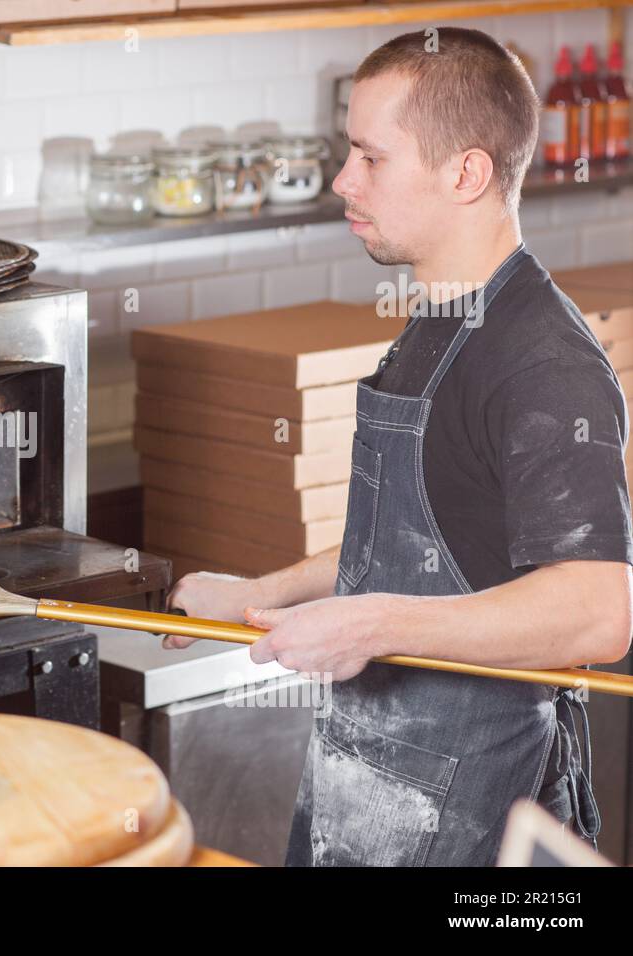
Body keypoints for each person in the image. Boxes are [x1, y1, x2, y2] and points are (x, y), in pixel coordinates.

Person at [165, 27, 633, 867]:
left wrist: (370, 626)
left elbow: (598, 612)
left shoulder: (543, 362)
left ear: (467, 173)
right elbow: (419, 544)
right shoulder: (441, 320)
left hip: (480, 815)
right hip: (370, 794)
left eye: (371, 159)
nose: (345, 180)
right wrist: (261, 592)